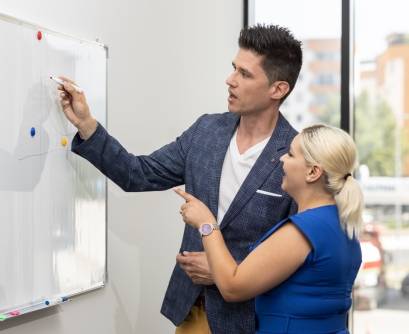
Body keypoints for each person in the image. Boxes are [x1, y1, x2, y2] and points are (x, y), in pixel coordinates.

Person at [57, 24, 302, 333]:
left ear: (278, 89)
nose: (230, 80)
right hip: (191, 309)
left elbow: (300, 262)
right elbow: (138, 174)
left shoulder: (297, 157)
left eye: (245, 74)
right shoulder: (206, 131)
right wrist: (87, 126)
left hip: (252, 321)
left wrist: (230, 274)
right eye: (233, 69)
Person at [175, 124, 363, 334]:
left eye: (291, 155)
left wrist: (206, 224)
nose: (282, 159)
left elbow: (232, 287)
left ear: (312, 172)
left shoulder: (301, 232)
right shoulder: (342, 225)